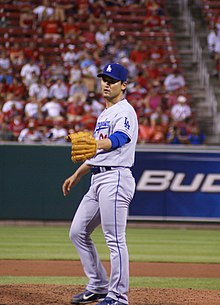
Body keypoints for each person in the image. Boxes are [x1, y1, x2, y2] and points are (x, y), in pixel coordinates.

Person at [62, 63, 138, 305]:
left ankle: (118, 297)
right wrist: (78, 174)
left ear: (123, 85)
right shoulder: (104, 114)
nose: (106, 83)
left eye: (112, 80)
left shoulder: (125, 111)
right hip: (98, 178)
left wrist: (97, 144)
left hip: (116, 178)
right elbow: (98, 153)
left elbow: (118, 139)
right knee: (77, 232)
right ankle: (98, 285)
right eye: (104, 79)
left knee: (115, 239)